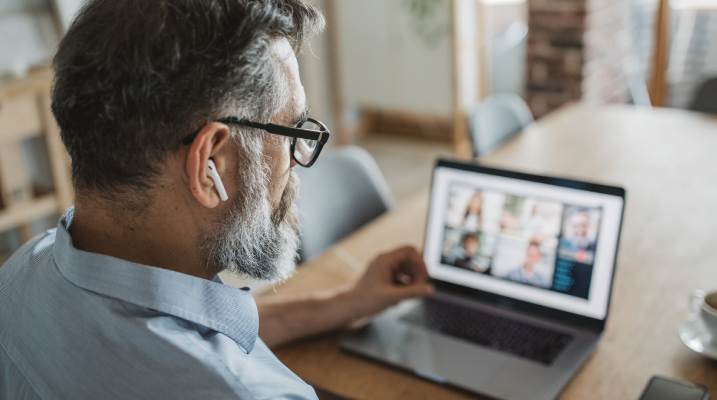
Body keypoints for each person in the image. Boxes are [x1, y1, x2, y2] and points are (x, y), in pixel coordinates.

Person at [0, 1, 433, 399]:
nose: (299, 163)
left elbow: (194, 327)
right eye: (293, 134)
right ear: (211, 165)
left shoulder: (20, 276)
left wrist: (347, 302)